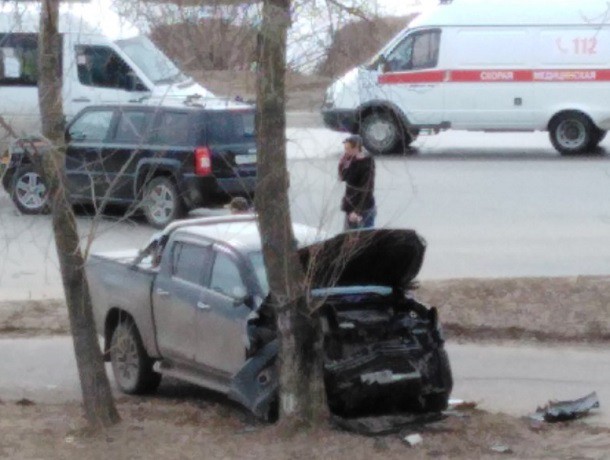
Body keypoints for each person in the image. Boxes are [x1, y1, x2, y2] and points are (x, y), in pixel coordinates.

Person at [338, 134, 376, 230]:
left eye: (348, 148)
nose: (345, 151)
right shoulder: (350, 160)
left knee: (364, 240)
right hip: (351, 207)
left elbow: (367, 189)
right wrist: (342, 163)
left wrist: (357, 211)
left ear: (356, 148)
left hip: (362, 209)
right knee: (348, 239)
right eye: (345, 148)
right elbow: (343, 178)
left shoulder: (366, 163)